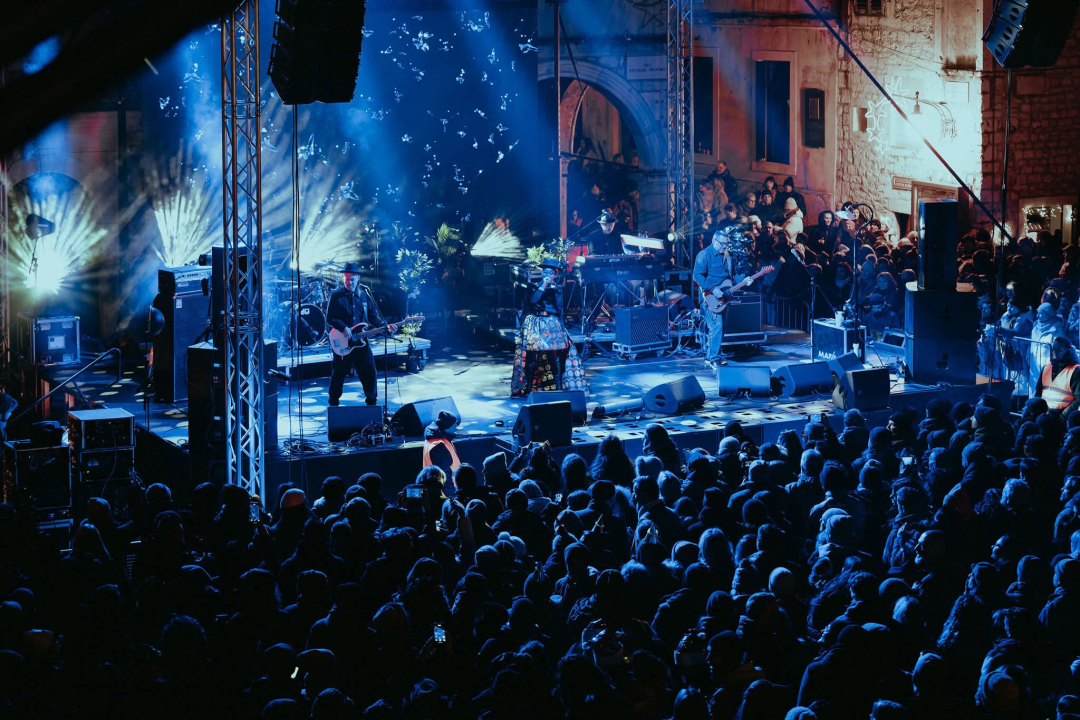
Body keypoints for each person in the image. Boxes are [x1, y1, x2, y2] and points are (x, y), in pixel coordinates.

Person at [511, 258, 588, 396]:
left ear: (555, 275)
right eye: (545, 272)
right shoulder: (533, 286)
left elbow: (558, 310)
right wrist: (543, 286)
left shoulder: (557, 289)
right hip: (535, 324)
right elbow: (532, 301)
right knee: (532, 358)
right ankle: (530, 389)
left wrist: (562, 330)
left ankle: (557, 387)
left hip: (551, 324)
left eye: (550, 273)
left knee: (555, 358)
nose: (547, 274)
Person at [325, 263, 397, 407]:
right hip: (343, 342)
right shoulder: (336, 295)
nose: (349, 282)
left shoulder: (364, 295)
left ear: (358, 278)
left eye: (352, 279)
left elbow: (373, 317)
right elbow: (330, 318)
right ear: (343, 278)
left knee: (370, 372)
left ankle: (372, 404)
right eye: (346, 279)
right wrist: (343, 328)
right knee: (338, 376)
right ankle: (333, 405)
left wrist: (386, 327)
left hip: (361, 343)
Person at [694, 231, 753, 368]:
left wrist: (744, 280)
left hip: (724, 297)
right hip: (709, 297)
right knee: (717, 326)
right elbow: (697, 276)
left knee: (720, 328)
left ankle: (710, 357)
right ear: (714, 240)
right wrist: (712, 289)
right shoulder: (704, 255)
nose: (725, 247)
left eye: (727, 244)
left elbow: (730, 278)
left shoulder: (727, 256)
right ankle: (714, 359)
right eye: (722, 244)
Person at [1037, 337, 1080, 417]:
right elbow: (1038, 392)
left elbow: (1078, 399)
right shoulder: (1046, 367)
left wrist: (1063, 416)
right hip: (1043, 414)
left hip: (1060, 415)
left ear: (1068, 351)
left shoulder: (1075, 371)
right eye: (1054, 349)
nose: (1054, 352)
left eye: (1059, 350)